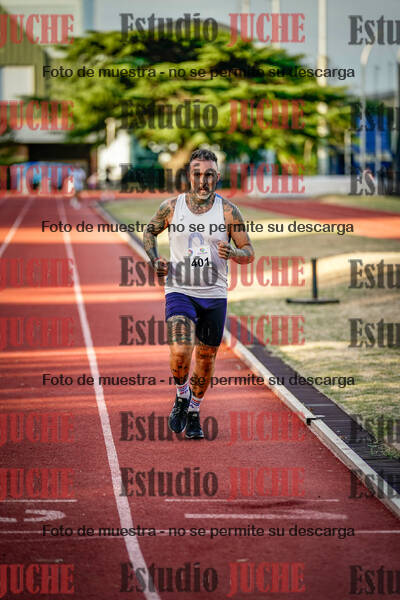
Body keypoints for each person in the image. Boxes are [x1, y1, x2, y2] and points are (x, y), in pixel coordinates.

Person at [143, 148, 255, 439]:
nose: (203, 181)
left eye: (209, 175)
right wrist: (155, 259)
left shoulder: (228, 211)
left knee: (205, 359)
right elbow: (149, 232)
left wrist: (234, 252)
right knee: (180, 350)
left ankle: (193, 411)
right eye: (197, 174)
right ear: (188, 176)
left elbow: (249, 251)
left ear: (218, 177)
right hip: (180, 289)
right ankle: (182, 394)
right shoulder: (172, 207)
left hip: (214, 295)